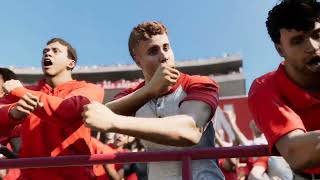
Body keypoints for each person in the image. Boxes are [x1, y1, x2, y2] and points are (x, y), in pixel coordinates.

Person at [82, 21, 224, 179]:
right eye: (153, 51)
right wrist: (149, 90)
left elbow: (190, 130)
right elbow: (102, 115)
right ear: (138, 61)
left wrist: (114, 121)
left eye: (166, 47)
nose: (164, 56)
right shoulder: (133, 94)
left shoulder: (200, 82)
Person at [0, 38, 106, 179]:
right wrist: (12, 113)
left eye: (55, 51)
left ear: (71, 63)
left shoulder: (90, 89)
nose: (47, 53)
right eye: (45, 51)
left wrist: (20, 91)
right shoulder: (25, 92)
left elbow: (67, 111)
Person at [248, 0, 320, 179]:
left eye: (317, 35)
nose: (312, 47)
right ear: (280, 49)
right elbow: (297, 152)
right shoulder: (264, 88)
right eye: (298, 41)